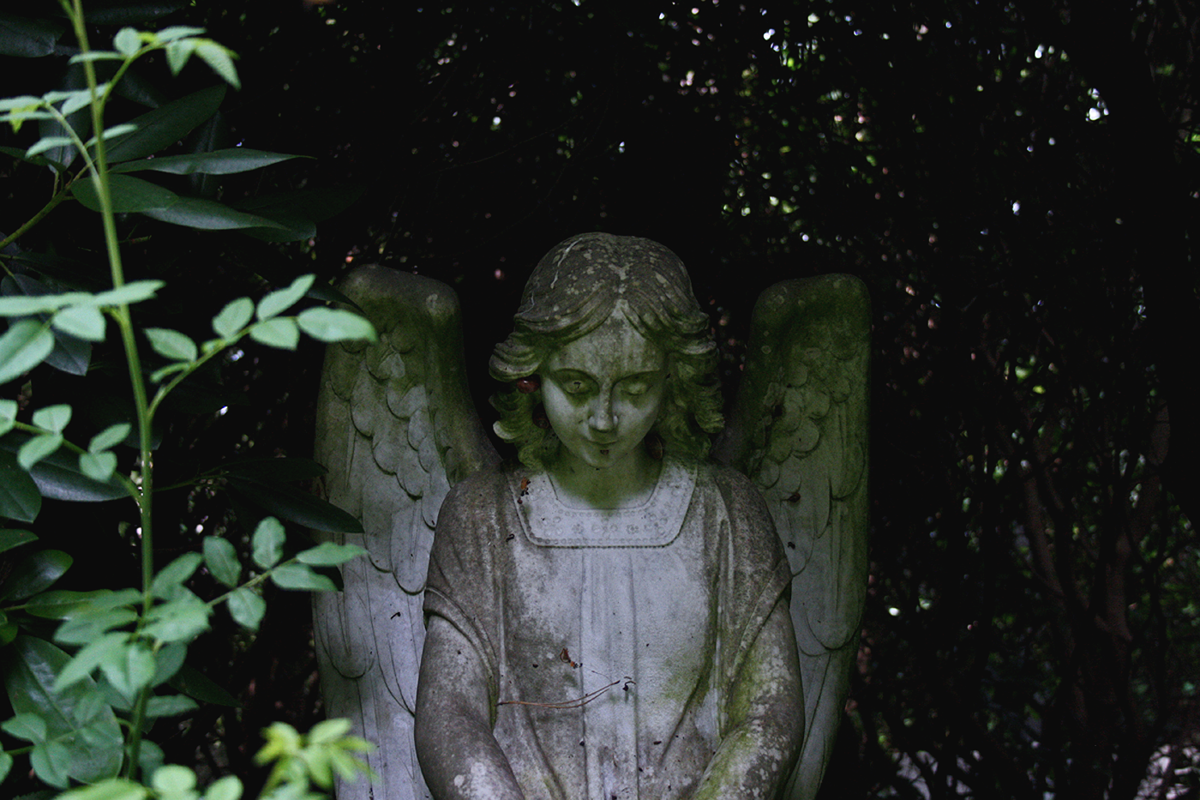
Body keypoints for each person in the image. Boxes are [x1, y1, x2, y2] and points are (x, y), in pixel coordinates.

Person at [414, 233, 803, 799]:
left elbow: (770, 712)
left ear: (674, 382)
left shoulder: (723, 512)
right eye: (577, 385)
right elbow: (450, 713)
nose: (603, 418)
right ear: (534, 376)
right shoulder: (483, 517)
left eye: (635, 386)